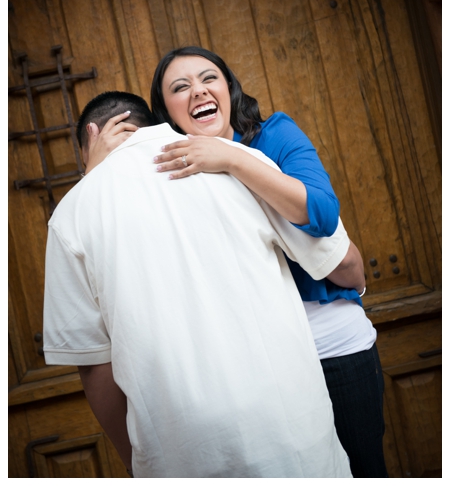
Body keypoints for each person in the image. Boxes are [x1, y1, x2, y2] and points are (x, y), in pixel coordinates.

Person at [44, 91, 360, 479]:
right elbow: (339, 260)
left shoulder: (72, 212)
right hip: (292, 431)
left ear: (90, 135)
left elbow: (94, 367)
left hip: (181, 454)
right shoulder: (236, 162)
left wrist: (136, 462)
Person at [140, 46, 387, 479]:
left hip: (332, 347)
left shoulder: (274, 135)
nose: (198, 91)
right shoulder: (170, 172)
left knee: (364, 470)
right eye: (181, 88)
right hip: (258, 366)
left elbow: (322, 214)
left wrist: (232, 158)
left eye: (208, 78)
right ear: (167, 113)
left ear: (229, 89)